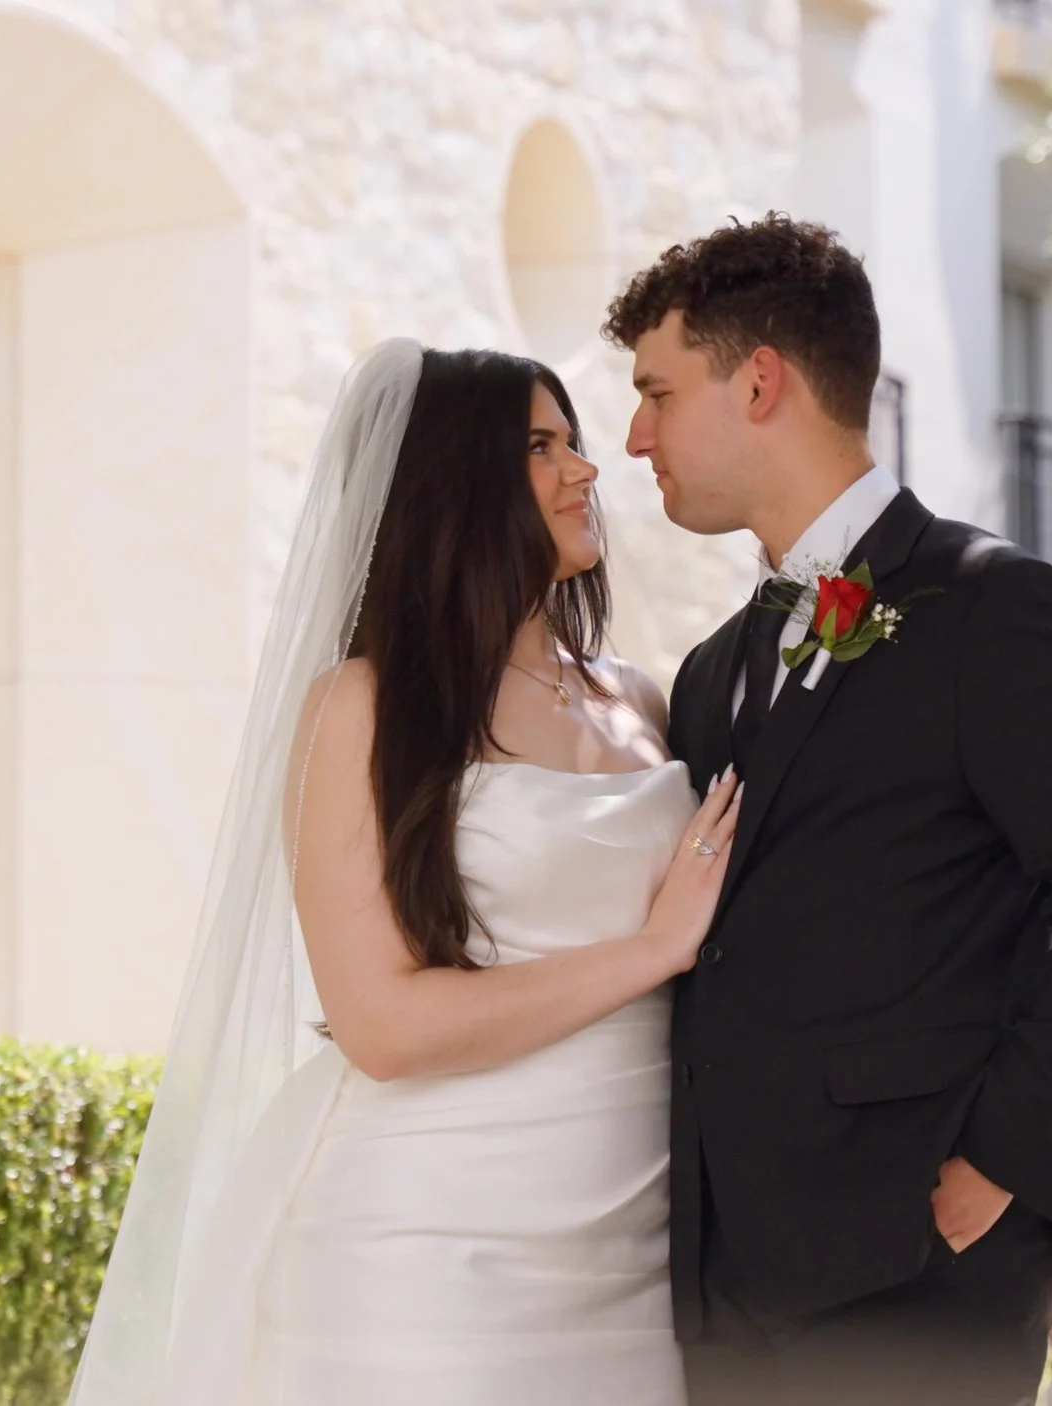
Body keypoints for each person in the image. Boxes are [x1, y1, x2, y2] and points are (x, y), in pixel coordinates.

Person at [602, 214, 1052, 1406]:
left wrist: (1006, 1157)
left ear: (760, 380)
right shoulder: (714, 668)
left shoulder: (995, 607)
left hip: (921, 1273)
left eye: (657, 393)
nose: (634, 436)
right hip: (729, 1287)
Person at [67, 342, 730, 1405]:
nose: (584, 470)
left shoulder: (640, 702)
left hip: (631, 1252)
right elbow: (379, 1026)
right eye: (539, 446)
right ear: (452, 483)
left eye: (576, 441)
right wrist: (651, 949)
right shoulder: (360, 710)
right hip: (428, 1242)